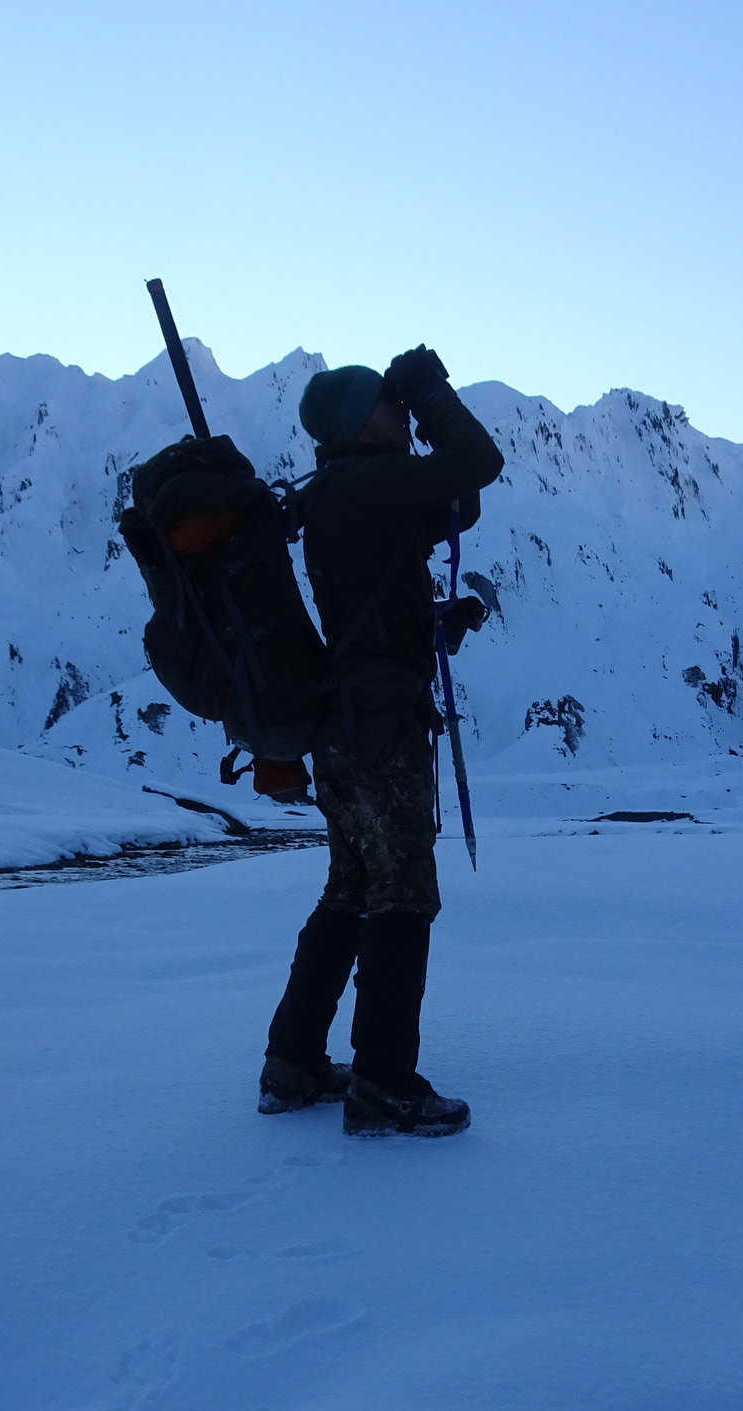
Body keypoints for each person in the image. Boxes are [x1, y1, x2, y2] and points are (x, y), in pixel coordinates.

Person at [258, 346, 504, 1137]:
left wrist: (438, 623)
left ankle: (293, 1062)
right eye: (390, 405)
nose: (400, 413)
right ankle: (384, 1083)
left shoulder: (341, 493)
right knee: (402, 897)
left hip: (350, 724)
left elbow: (453, 506)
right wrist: (431, 391)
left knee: (354, 890)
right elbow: (478, 462)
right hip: (379, 731)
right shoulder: (364, 484)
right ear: (364, 420)